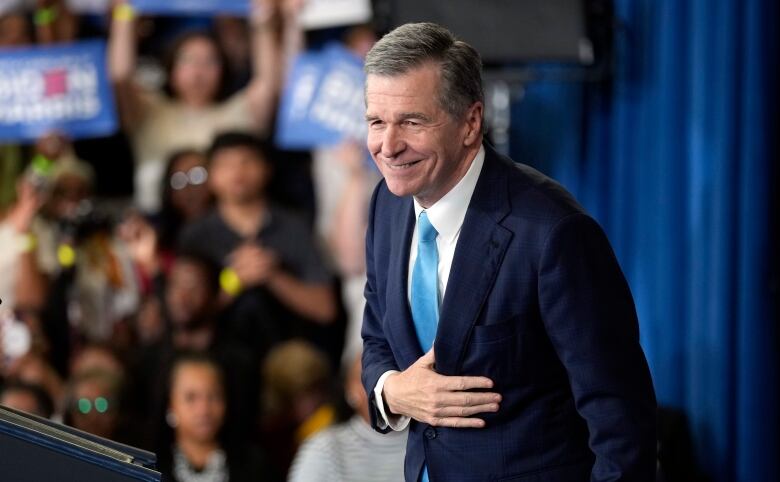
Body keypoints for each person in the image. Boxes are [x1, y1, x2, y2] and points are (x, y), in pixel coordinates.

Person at [360, 23, 657, 481]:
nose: (388, 146)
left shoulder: (552, 233)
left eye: (412, 122)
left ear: (471, 123)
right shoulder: (387, 204)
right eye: (377, 122)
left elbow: (620, 417)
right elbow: (378, 336)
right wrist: (392, 392)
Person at [178, 132, 339, 360]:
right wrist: (233, 280)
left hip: (289, 352)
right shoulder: (195, 235)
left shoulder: (294, 226)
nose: (238, 173)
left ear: (266, 169)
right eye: (226, 165)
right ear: (211, 176)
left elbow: (325, 309)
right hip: (216, 354)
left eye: (247, 161)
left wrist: (272, 275)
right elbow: (183, 316)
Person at [288, 351, 406, 482]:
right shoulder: (324, 449)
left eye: (390, 374)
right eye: (366, 378)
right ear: (349, 391)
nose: (379, 387)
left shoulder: (427, 438)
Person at [157, 353, 277, 482]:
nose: (204, 409)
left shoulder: (254, 465)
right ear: (170, 405)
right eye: (190, 398)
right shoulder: (148, 468)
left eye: (214, 396)